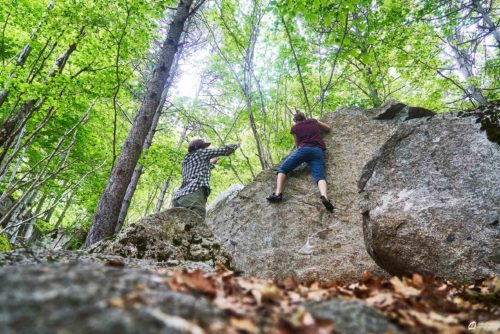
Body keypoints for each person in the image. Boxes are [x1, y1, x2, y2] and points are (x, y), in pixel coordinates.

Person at [267, 111, 334, 212]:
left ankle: (277, 194)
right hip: (318, 151)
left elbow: (297, 145)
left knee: (283, 169)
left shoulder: (295, 128)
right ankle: (324, 196)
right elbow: (328, 128)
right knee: (320, 176)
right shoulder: (313, 121)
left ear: (295, 120)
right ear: (305, 117)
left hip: (303, 150)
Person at [172, 139, 239, 218]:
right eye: (204, 147)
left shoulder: (185, 161)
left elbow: (199, 170)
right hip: (193, 195)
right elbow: (226, 150)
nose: (206, 149)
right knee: (197, 219)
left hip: (179, 198)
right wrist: (236, 144)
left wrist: (211, 163)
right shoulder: (201, 153)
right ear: (198, 147)